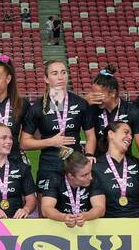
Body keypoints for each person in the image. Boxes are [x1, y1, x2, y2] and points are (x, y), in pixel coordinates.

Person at [23, 58, 95, 196]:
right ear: (46, 79)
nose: (60, 77)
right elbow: (24, 143)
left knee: (77, 204)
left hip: (76, 164)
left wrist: (89, 155)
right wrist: (51, 142)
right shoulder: (37, 108)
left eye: (63, 72)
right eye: (55, 73)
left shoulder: (81, 103)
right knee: (45, 205)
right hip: (49, 165)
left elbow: (90, 136)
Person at [85, 65, 139, 164]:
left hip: (125, 165)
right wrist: (84, 103)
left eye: (99, 95)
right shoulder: (91, 109)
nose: (95, 98)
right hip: (98, 166)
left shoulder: (132, 112)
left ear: (113, 93)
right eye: (93, 94)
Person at [94, 119, 139, 218]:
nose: (130, 137)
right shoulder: (95, 166)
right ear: (111, 134)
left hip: (137, 220)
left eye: (131, 135)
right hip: (107, 222)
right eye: (126, 132)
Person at [40, 151, 105, 226]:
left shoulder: (94, 177)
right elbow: (46, 209)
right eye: (84, 175)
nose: (90, 177)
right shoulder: (55, 179)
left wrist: (86, 216)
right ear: (70, 176)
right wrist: (63, 217)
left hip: (87, 225)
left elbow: (100, 208)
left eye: (90, 172)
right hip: (59, 226)